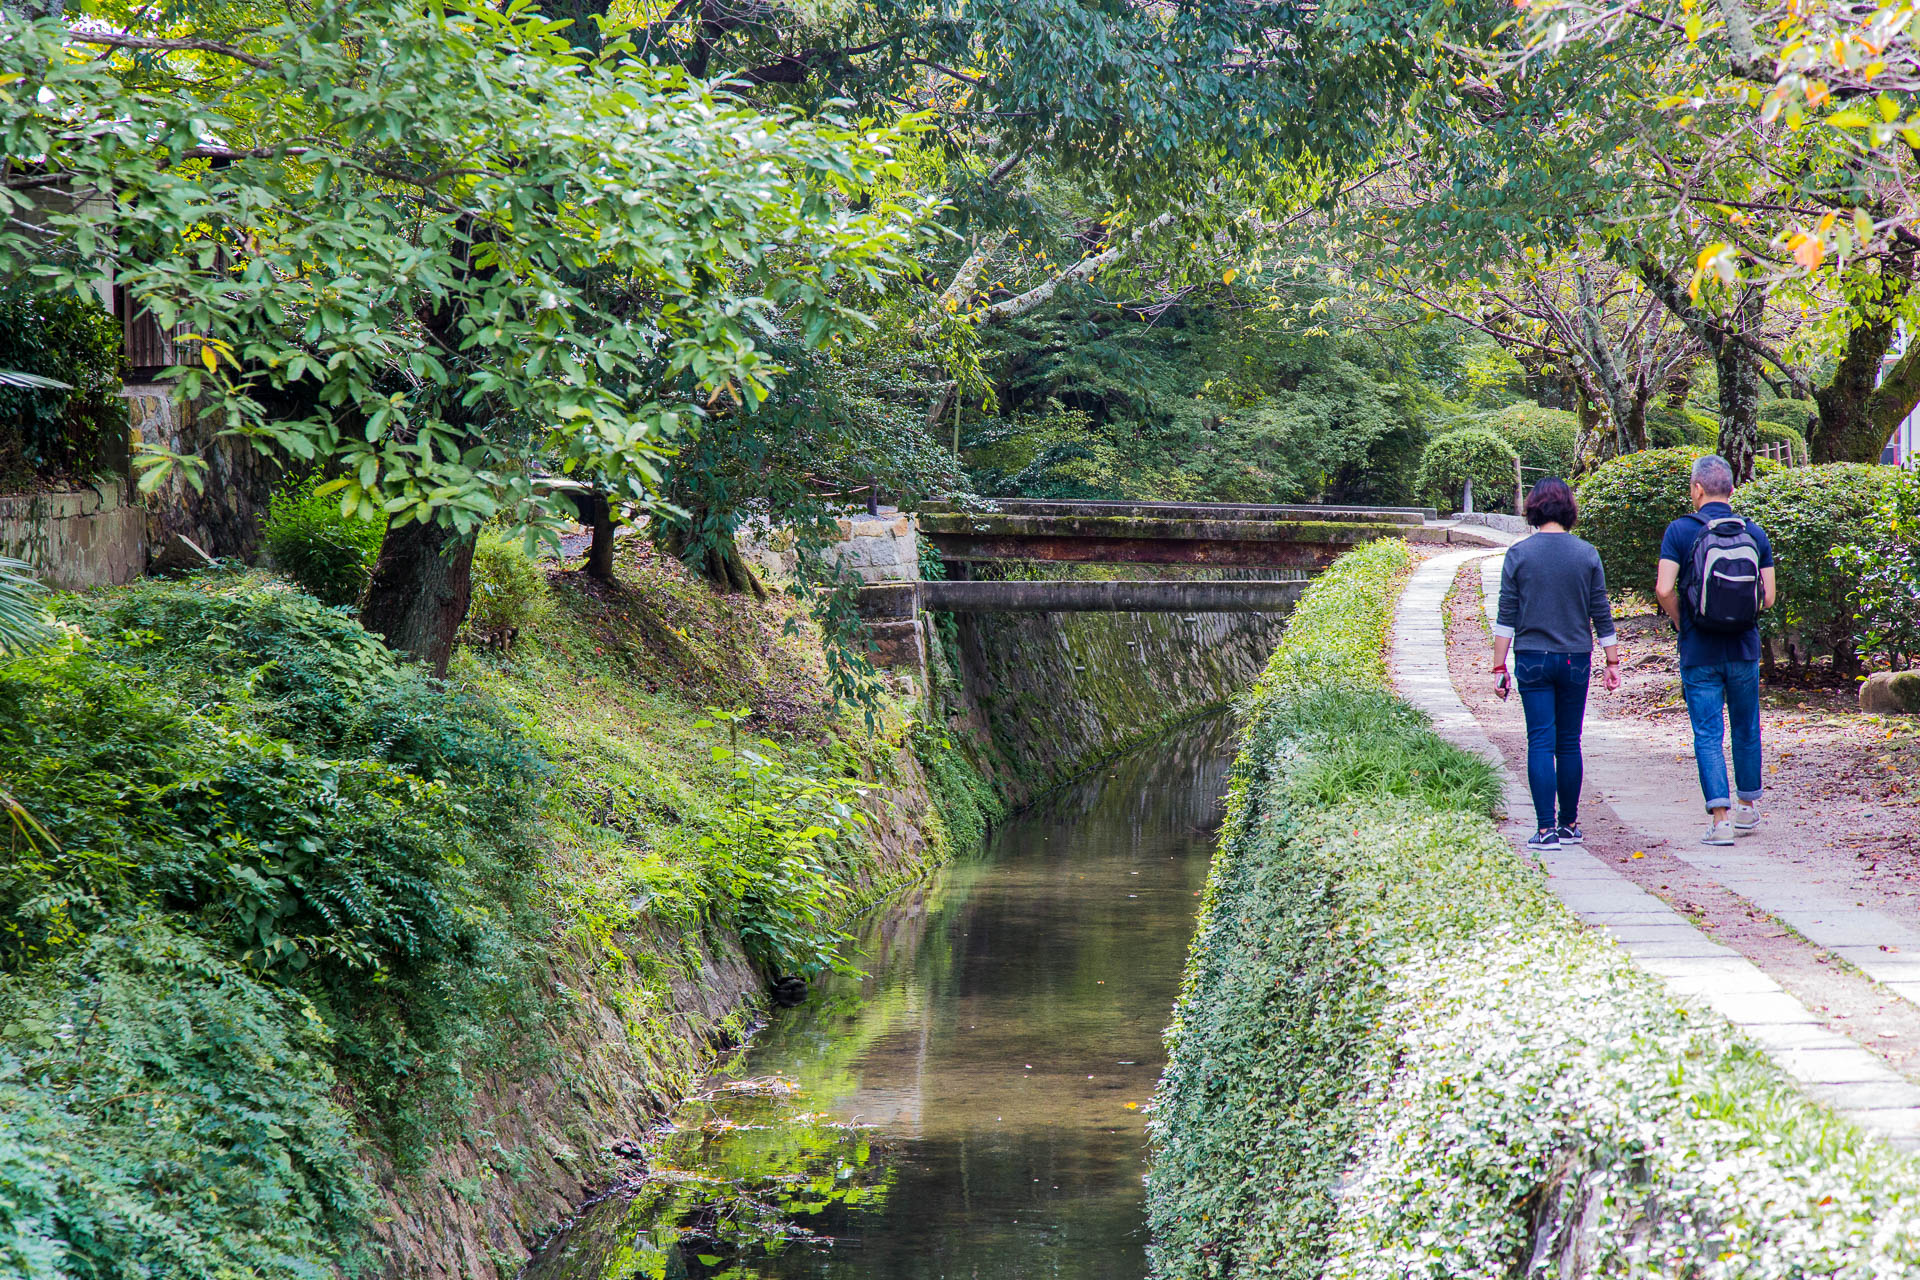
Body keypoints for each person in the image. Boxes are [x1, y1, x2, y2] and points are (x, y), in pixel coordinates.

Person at [1491, 477, 1622, 852]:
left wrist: (1498, 668)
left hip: (1532, 658)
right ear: (1568, 509)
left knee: (1540, 741)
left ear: (1533, 508)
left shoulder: (1519, 554)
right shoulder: (1587, 554)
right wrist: (1612, 661)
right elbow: (1602, 613)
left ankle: (1545, 830)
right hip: (1575, 658)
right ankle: (1570, 824)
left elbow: (1506, 617)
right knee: (1569, 742)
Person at [1654, 454, 1777, 846]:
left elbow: (1663, 588)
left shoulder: (1679, 531)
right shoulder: (1754, 533)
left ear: (1697, 489)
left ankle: (1720, 821)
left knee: (1707, 733)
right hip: (1743, 647)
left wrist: (1682, 620)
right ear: (1732, 490)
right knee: (1746, 726)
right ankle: (1747, 806)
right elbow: (1769, 597)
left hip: (1699, 650)